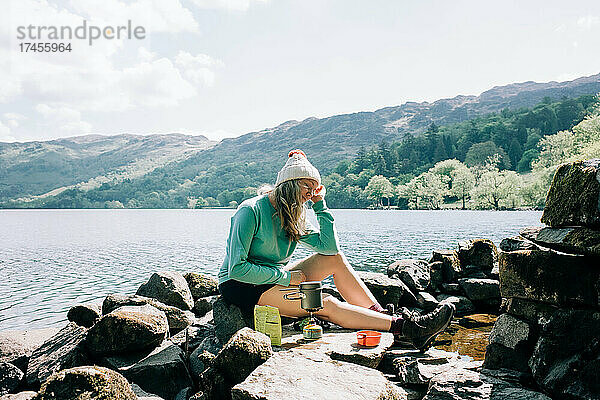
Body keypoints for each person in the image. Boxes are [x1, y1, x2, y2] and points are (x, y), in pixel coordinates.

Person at [217, 149, 454, 350]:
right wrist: (286, 277)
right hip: (241, 286)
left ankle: (382, 317)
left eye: (314, 190)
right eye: (306, 188)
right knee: (324, 302)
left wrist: (321, 207)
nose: (309, 196)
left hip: (272, 278)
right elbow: (237, 269)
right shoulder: (250, 211)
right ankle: (408, 328)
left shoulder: (294, 214)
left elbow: (329, 249)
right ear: (289, 184)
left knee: (335, 260)